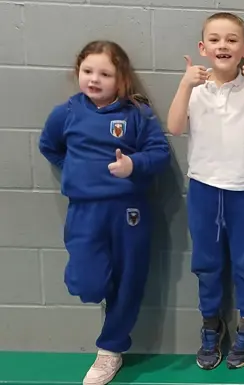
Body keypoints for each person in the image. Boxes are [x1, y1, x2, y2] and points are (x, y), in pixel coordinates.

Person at [38, 40, 171, 385]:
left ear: (121, 78)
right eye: (87, 71)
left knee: (128, 282)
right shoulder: (66, 112)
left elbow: (160, 154)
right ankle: (99, 286)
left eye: (105, 74)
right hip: (85, 211)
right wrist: (76, 172)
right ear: (78, 72)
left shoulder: (137, 113)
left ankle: (110, 350)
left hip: (130, 212)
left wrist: (133, 165)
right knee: (88, 282)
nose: (94, 79)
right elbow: (49, 146)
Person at [166, 11, 244, 370]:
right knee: (207, 264)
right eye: (215, 39)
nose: (223, 45)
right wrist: (184, 85)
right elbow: (174, 127)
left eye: (232, 40)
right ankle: (211, 327)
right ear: (203, 48)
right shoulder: (195, 88)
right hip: (203, 189)